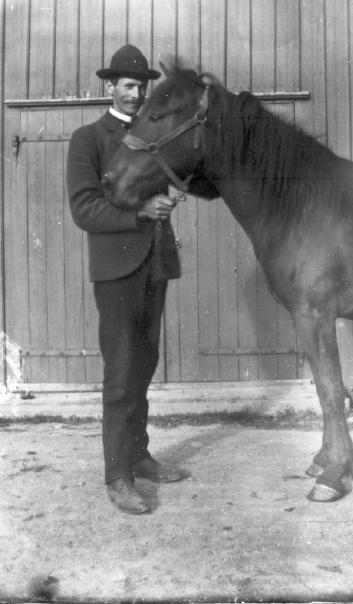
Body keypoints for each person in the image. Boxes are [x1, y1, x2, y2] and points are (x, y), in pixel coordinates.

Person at [67, 45, 186, 514]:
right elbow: (84, 208)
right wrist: (140, 213)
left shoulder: (152, 134)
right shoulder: (88, 139)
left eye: (142, 87)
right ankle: (118, 475)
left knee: (145, 365)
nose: (137, 94)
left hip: (156, 265)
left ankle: (138, 456)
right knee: (121, 372)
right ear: (110, 86)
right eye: (129, 86)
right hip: (116, 271)